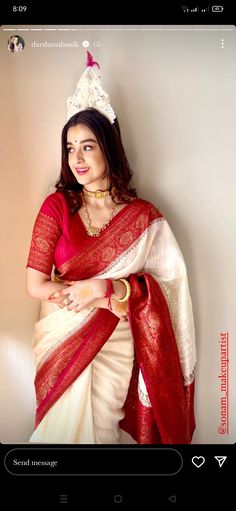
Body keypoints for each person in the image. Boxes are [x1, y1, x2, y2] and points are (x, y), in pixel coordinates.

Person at [25, 53, 196, 444]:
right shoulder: (58, 206)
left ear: (109, 148)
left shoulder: (143, 217)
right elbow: (35, 285)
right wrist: (94, 299)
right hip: (62, 341)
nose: (77, 158)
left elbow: (168, 287)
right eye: (70, 148)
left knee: (101, 434)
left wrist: (106, 288)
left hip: (116, 343)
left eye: (87, 147)